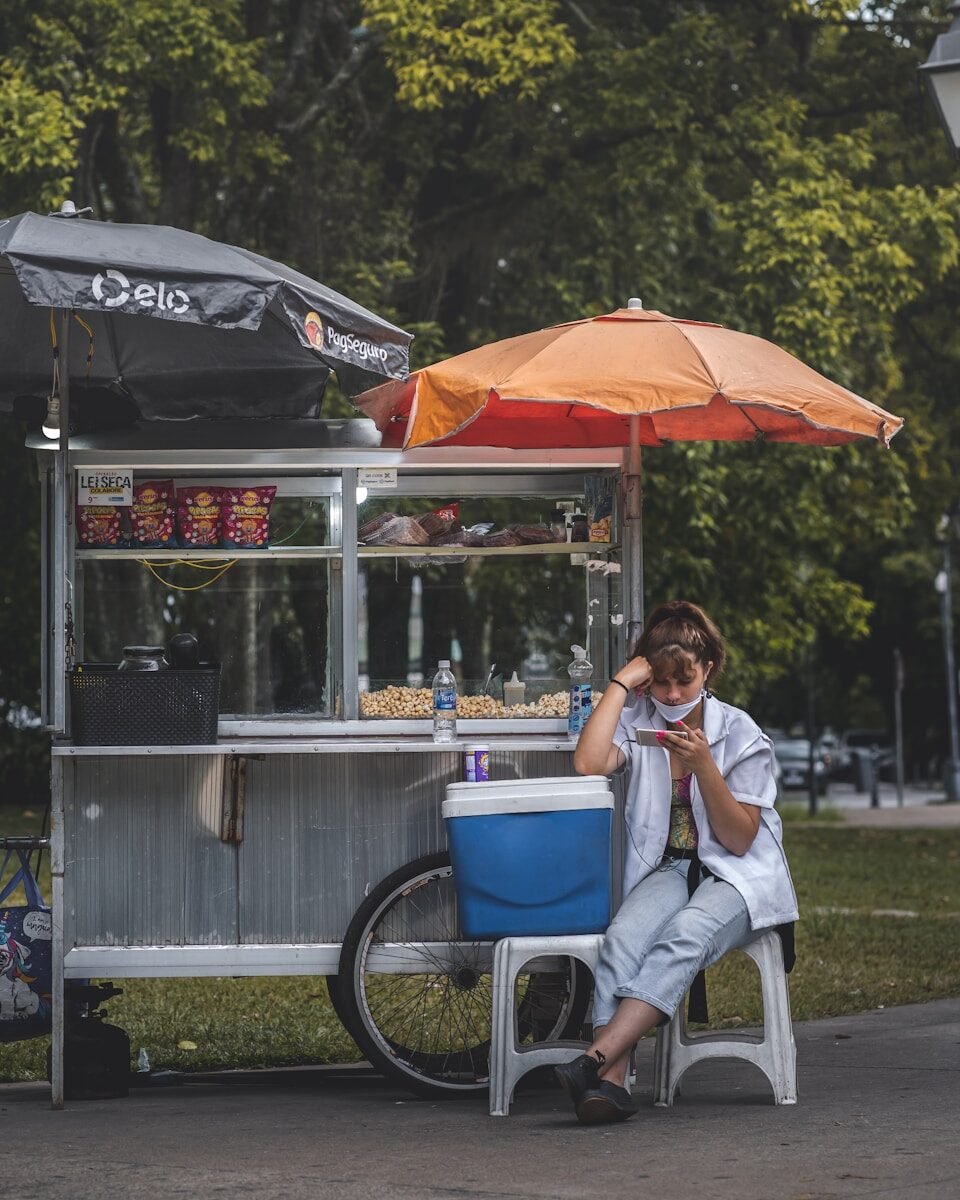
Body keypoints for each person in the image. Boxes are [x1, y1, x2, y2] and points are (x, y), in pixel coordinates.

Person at [555, 599, 798, 1124]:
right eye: (660, 681)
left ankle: (594, 1061)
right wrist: (621, 683)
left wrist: (705, 766)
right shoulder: (642, 721)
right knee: (622, 938)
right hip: (670, 868)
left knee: (684, 934)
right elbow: (587, 762)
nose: (670, 695)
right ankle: (609, 1087)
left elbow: (737, 840)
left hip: (737, 876)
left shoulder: (740, 733)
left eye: (682, 682)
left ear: (707, 670)